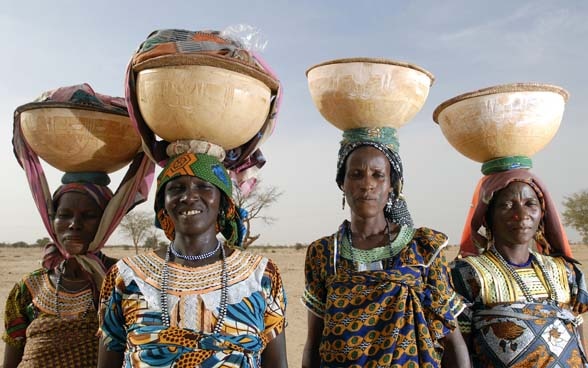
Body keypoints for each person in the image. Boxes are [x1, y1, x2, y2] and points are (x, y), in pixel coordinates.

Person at [3, 84, 154, 367]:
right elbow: (11, 357)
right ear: (51, 219)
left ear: (106, 221)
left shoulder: (123, 281)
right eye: (64, 215)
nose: (73, 225)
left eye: (88, 216)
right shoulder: (27, 289)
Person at [97, 152, 288, 367]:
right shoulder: (126, 276)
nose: (188, 197)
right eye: (176, 188)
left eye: (204, 187)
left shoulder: (261, 275)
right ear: (163, 203)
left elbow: (277, 363)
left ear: (222, 201)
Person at [301, 127, 470, 368]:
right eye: (356, 174)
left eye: (378, 175)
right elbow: (313, 343)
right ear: (342, 182)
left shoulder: (423, 249)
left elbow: (453, 341)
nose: (366, 184)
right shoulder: (324, 253)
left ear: (392, 184)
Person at [451, 166, 588, 367]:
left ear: (542, 212)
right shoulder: (466, 274)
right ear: (487, 216)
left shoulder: (565, 272)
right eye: (507, 205)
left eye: (530, 204)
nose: (521, 215)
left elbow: (577, 335)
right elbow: (457, 350)